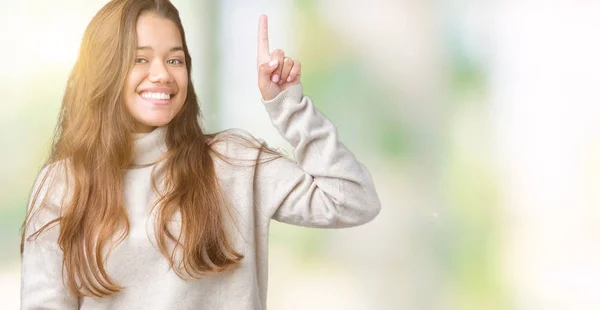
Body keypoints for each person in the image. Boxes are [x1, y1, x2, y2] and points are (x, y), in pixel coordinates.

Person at [20, 0, 381, 309]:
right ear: (104, 70)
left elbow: (353, 200)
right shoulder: (64, 183)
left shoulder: (233, 162)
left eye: (175, 61)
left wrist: (288, 106)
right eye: (139, 59)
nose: (161, 74)